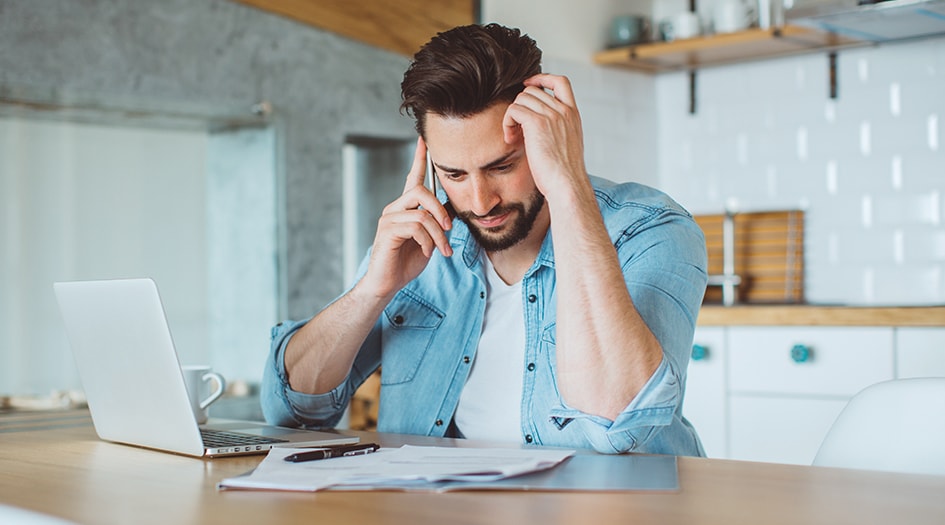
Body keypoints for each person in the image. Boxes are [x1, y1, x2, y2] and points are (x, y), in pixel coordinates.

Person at [261, 23, 708, 455]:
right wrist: (372, 291)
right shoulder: (422, 243)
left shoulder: (652, 231)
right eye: (453, 173)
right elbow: (291, 409)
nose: (479, 201)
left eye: (502, 166)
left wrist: (569, 187)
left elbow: (617, 420)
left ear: (547, 137)